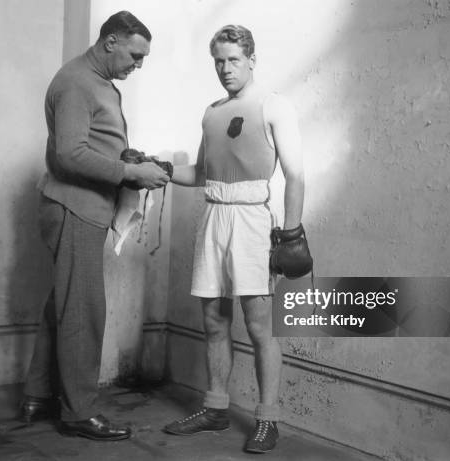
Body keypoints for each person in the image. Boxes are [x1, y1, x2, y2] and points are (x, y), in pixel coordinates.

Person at [18, 11, 170, 441]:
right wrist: (130, 176)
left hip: (83, 206)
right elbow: (68, 154)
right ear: (110, 42)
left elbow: (92, 143)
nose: (138, 65)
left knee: (63, 305)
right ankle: (79, 412)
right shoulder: (76, 82)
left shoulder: (98, 82)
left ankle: (38, 395)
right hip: (74, 207)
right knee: (83, 310)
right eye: (135, 55)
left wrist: (126, 157)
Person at [164, 25, 304, 453]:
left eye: (233, 60)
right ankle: (216, 408)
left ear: (251, 60)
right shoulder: (211, 111)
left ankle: (268, 418)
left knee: (261, 327)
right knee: (213, 322)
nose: (225, 69)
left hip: (253, 222)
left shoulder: (273, 105)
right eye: (219, 61)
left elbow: (296, 175)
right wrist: (159, 168)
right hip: (214, 217)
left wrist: (291, 235)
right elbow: (202, 174)